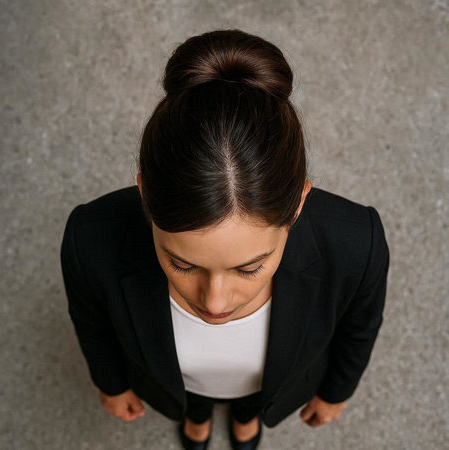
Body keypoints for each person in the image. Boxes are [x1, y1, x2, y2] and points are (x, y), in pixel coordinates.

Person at [60, 29, 390, 450]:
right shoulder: (88, 240)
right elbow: (92, 325)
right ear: (145, 197)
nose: (214, 304)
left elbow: (359, 328)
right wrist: (110, 384)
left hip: (264, 381)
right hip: (177, 380)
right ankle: (196, 417)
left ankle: (246, 417)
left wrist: (336, 392)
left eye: (250, 267)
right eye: (182, 263)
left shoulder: (356, 244)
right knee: (194, 397)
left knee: (251, 395)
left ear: (297, 206)